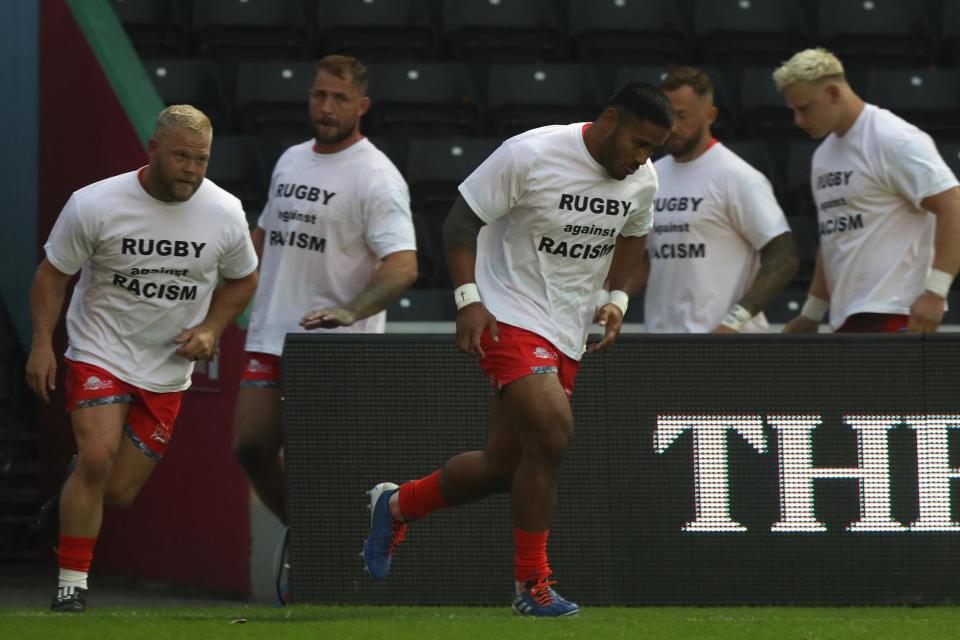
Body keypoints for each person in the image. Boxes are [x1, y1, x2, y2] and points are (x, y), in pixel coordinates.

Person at [362, 83, 674, 617]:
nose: (642, 158)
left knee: (505, 466)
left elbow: (634, 233)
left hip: (568, 328)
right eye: (639, 143)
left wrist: (617, 298)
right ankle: (533, 584)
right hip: (510, 312)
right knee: (553, 433)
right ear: (608, 120)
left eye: (652, 149)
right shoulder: (530, 153)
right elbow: (461, 222)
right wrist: (469, 301)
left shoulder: (641, 179)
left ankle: (396, 506)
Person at [26, 105, 259, 612]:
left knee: (119, 491)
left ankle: (66, 502)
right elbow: (52, 276)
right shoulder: (95, 204)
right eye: (181, 156)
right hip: (100, 350)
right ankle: (72, 584)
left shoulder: (224, 212)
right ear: (153, 150)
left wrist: (213, 327)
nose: (192, 170)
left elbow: (243, 277)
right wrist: (43, 343)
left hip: (167, 366)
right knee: (97, 456)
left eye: (201, 160)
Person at [232, 55, 417, 533]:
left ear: (362, 106)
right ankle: (313, 539)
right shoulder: (291, 159)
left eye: (339, 98)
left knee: (327, 466)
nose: (327, 107)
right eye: (319, 95)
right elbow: (263, 237)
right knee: (250, 446)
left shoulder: (377, 175)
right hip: (272, 332)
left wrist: (349, 311)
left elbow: (403, 265)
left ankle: (327, 552)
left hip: (336, 347)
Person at [774, 48, 960, 333]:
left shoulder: (893, 138)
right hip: (846, 316)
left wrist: (936, 292)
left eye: (805, 108)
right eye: (793, 111)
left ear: (834, 93)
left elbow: (953, 205)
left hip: (896, 311)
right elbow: (833, 236)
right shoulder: (823, 156)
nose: (798, 120)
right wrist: (812, 314)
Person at [637, 67, 798, 332]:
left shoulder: (738, 177)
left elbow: (784, 256)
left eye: (682, 116)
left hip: (727, 344)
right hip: (663, 340)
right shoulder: (650, 176)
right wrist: (608, 298)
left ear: (710, 115)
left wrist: (733, 322)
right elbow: (644, 257)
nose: (671, 127)